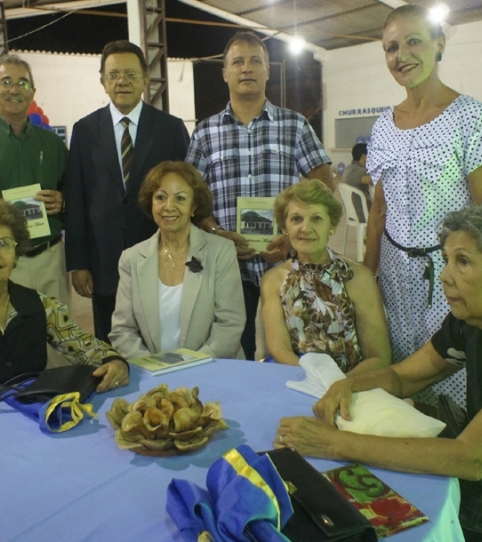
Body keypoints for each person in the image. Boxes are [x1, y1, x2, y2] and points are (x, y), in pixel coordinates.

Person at [276, 204, 482, 541]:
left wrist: (334, 444)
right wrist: (346, 385)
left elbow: (474, 457)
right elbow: (403, 377)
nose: (444, 275)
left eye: (463, 262)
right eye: (447, 259)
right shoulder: (473, 324)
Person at [364, 4, 482, 407]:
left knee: (453, 378)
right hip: (392, 276)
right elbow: (379, 211)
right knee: (396, 382)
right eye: (391, 48)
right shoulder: (382, 126)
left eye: (413, 42)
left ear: (439, 44)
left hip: (450, 276)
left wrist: (477, 283)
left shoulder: (473, 118)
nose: (401, 56)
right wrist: (367, 279)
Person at [0, 196, 129, 430]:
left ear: (17, 257)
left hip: (33, 424)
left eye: (4, 244)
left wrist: (114, 361)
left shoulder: (40, 305)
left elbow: (86, 347)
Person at [186, 31, 334, 360]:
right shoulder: (205, 132)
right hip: (226, 265)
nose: (246, 68)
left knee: (295, 350)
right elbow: (190, 198)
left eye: (256, 61)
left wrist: (292, 235)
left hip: (286, 262)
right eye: (237, 62)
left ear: (268, 70)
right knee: (232, 350)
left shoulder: (294, 125)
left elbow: (324, 184)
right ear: (225, 73)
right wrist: (216, 233)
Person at [66, 40, 189, 342]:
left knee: (161, 342)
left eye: (131, 74)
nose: (122, 81)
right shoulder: (84, 130)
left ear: (146, 80)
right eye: (114, 74)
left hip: (161, 258)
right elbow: (77, 199)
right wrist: (78, 263)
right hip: (104, 265)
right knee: (111, 348)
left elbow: (188, 194)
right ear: (103, 82)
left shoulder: (170, 129)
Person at [0, 54, 70, 305]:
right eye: (6, 82)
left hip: (49, 259)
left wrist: (63, 202)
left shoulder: (52, 144)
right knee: (6, 339)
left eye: (23, 83)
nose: (15, 90)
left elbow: (73, 191)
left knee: (56, 340)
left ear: (33, 92)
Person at [109, 161, 245, 359]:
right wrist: (153, 368)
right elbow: (123, 331)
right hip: (153, 376)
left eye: (180, 198)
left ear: (194, 206)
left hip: (212, 371)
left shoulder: (221, 251)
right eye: (160, 197)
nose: (168, 206)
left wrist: (187, 368)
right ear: (151, 203)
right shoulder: (131, 258)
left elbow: (229, 325)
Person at [260, 180, 390, 371]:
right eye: (296, 219)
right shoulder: (273, 281)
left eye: (316, 218)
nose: (306, 228)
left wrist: (340, 387)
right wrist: (314, 383)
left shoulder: (358, 277)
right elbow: (280, 350)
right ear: (285, 228)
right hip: (297, 380)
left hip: (352, 385)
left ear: (332, 225)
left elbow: (379, 356)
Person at [340, 142, 372, 221]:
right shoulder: (359, 171)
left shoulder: (349, 168)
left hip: (352, 212)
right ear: (364, 156)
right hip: (363, 213)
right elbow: (375, 181)